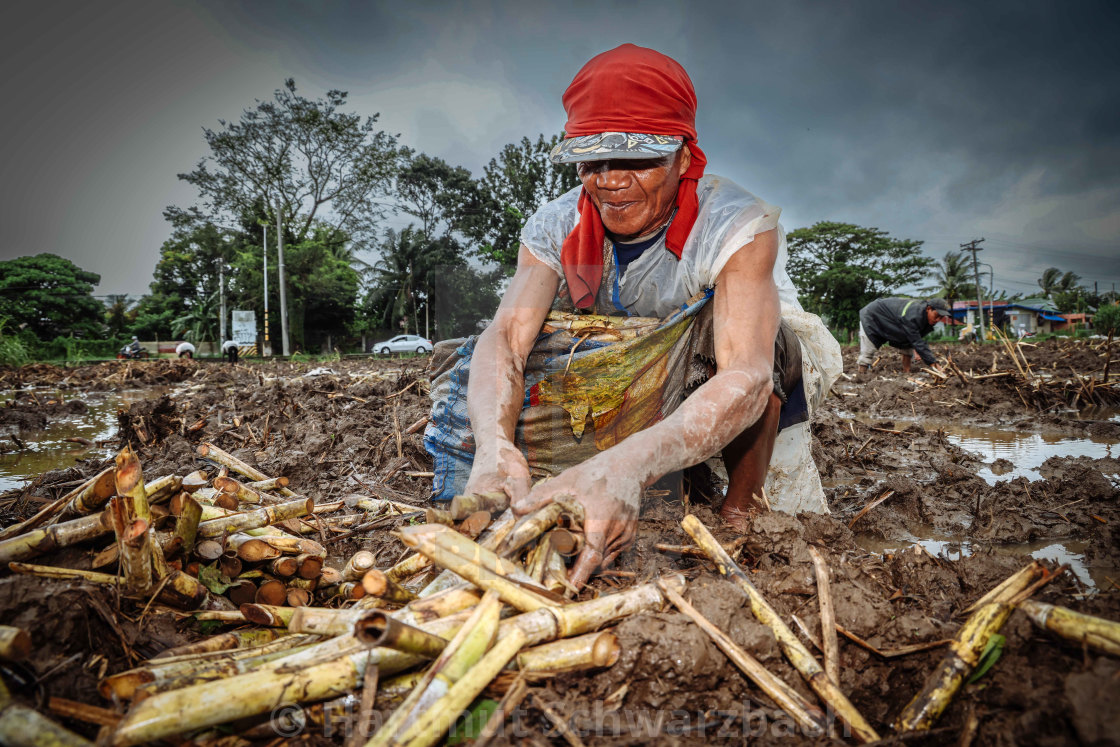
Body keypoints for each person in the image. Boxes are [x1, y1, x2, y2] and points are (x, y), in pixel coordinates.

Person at [424, 44, 840, 587]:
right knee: (481, 355)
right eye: (592, 162)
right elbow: (505, 336)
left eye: (637, 161)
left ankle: (740, 509)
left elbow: (747, 374)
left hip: (715, 362)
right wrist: (494, 444)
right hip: (627, 358)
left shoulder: (735, 225)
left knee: (770, 346)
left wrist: (626, 465)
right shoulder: (554, 226)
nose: (609, 181)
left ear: (684, 158)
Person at [857, 298, 953, 373]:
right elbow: (917, 341)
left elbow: (915, 339)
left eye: (941, 317)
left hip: (892, 321)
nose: (937, 320)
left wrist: (918, 348)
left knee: (907, 342)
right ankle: (861, 376)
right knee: (868, 348)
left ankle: (906, 371)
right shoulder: (913, 317)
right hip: (872, 315)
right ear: (929, 309)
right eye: (936, 316)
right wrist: (934, 364)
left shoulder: (924, 316)